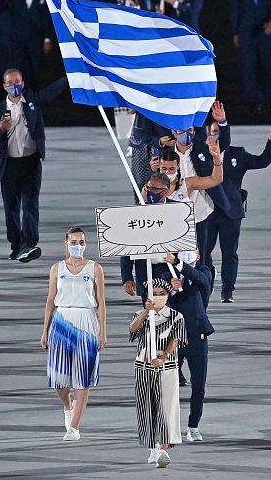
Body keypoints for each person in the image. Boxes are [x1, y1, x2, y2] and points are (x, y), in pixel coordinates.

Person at [0, 70, 69, 262]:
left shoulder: (32, 102)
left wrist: (70, 76)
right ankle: (16, 246)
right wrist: (1, 129)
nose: (14, 85)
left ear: (23, 83)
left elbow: (52, 92)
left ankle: (29, 245)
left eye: (17, 81)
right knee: (11, 210)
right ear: (4, 86)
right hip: (9, 167)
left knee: (31, 206)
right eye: (10, 82)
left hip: (31, 162)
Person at [40, 227, 107, 442]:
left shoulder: (95, 268)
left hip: (86, 321)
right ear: (66, 243)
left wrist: (102, 331)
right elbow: (50, 300)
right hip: (61, 321)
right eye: (74, 242)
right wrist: (45, 330)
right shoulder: (56, 268)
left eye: (81, 242)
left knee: (82, 377)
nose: (78, 245)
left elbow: (101, 303)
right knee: (59, 380)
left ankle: (74, 428)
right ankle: (68, 406)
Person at [208, 126, 271, 302]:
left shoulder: (237, 154)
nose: (216, 135)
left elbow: (262, 161)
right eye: (212, 131)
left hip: (231, 212)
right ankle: (206, 278)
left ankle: (227, 290)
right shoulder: (201, 155)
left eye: (219, 131)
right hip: (207, 211)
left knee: (229, 252)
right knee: (203, 251)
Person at [167, 102, 232, 270]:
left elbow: (222, 143)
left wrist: (222, 121)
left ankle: (204, 289)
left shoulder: (203, 149)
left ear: (194, 132)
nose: (186, 134)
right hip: (175, 215)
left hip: (202, 212)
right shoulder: (165, 157)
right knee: (175, 258)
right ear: (174, 132)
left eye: (190, 130)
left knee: (202, 257)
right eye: (182, 131)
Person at [129, 278, 187, 468]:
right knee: (147, 407)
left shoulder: (176, 316)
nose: (159, 297)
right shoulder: (140, 314)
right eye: (155, 293)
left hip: (166, 368)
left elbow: (176, 339)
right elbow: (132, 330)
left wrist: (163, 357)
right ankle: (152, 446)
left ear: (168, 295)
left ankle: (164, 448)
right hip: (143, 367)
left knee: (167, 407)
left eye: (162, 293)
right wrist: (147, 311)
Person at [164, 250, 214, 442]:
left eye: (190, 251)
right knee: (169, 383)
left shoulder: (204, 272)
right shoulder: (167, 275)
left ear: (198, 255)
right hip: (173, 336)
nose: (186, 254)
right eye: (182, 252)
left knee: (198, 384)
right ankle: (169, 424)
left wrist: (178, 263)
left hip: (197, 335)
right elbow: (162, 298)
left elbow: (200, 280)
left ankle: (193, 426)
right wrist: (172, 289)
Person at [121, 173, 174, 303]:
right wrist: (127, 277)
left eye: (155, 189)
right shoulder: (137, 213)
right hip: (145, 270)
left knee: (173, 312)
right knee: (150, 312)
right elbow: (127, 246)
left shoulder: (178, 210)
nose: (151, 192)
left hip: (171, 270)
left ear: (166, 192)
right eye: (148, 188)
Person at [10, 0, 53, 89]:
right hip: (18, 35)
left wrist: (47, 38)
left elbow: (46, 15)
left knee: (36, 66)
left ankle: (35, 94)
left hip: (35, 34)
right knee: (20, 66)